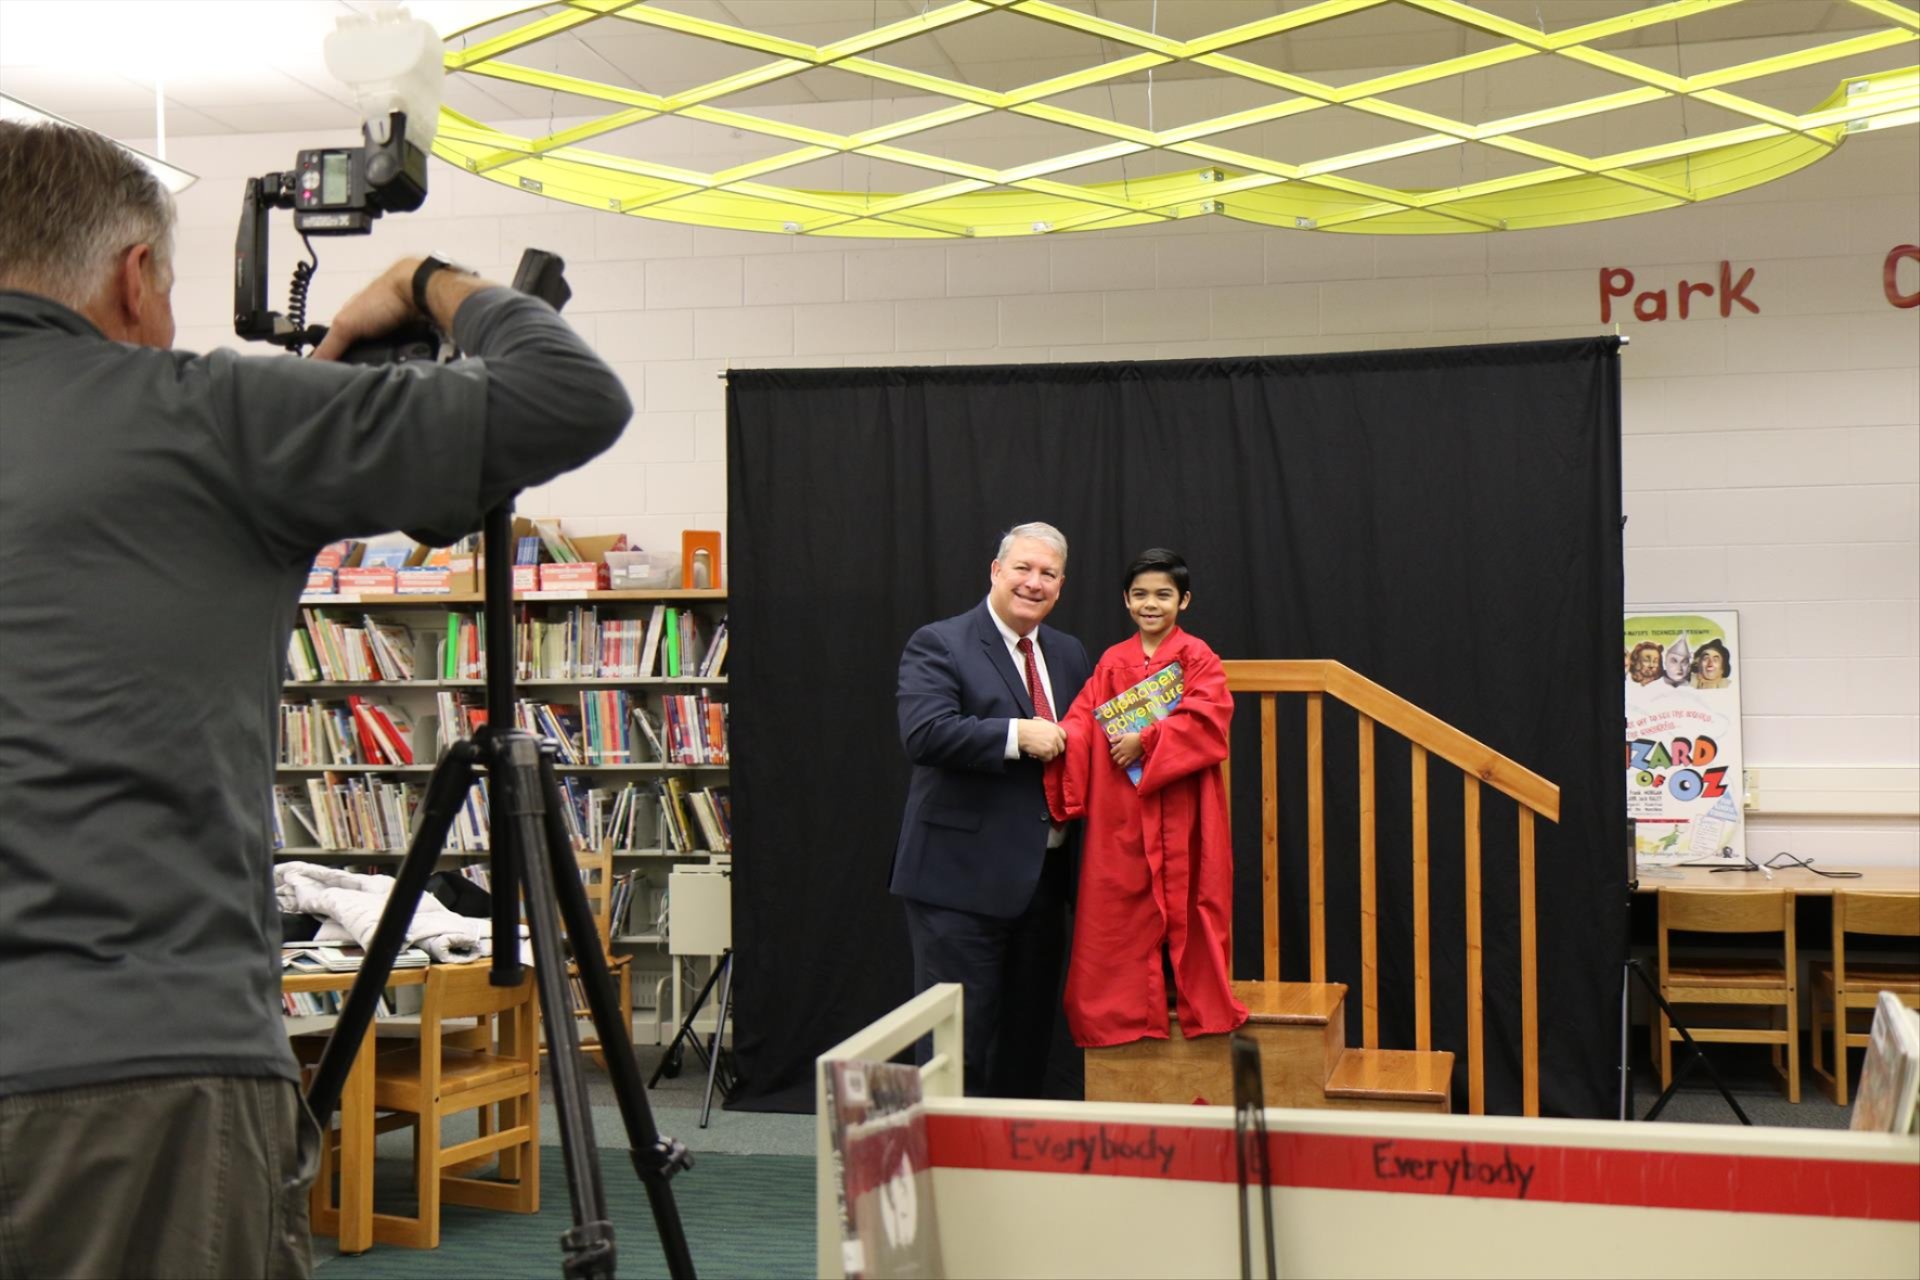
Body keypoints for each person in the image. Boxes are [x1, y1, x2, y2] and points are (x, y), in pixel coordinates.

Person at [0, 121, 631, 1279]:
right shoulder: (202, 412)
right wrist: (424, 281)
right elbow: (568, 396)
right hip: (137, 1078)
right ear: (134, 277)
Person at [890, 522, 1092, 1097]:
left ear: (1061, 585)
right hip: (959, 884)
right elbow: (925, 734)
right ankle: (949, 1173)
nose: (1034, 582)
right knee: (958, 1046)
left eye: (1048, 574)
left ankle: (1014, 1166)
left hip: (1045, 884)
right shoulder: (940, 642)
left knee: (1028, 1042)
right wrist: (1016, 735)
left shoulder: (1070, 652)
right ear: (996, 571)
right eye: (1023, 568)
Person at [1044, 549, 1247, 1047]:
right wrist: (1060, 739)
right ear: (1126, 601)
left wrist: (1150, 740)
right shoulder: (1113, 660)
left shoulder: (1197, 657)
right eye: (1140, 595)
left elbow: (1208, 719)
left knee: (1192, 892)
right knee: (1119, 900)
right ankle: (1126, 1009)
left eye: (1162, 594)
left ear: (1184, 600)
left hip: (1182, 799)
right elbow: (1086, 718)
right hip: (1125, 801)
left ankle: (1195, 997)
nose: (1150, 604)